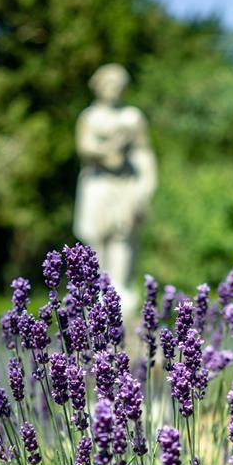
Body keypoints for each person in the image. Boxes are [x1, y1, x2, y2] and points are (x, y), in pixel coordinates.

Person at [73, 64, 157, 318]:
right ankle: (97, 290)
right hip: (97, 182)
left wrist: (147, 185)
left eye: (118, 85)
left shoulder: (132, 116)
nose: (113, 90)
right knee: (95, 236)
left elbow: (144, 152)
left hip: (124, 184)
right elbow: (85, 148)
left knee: (122, 236)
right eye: (108, 84)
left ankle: (120, 290)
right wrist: (111, 147)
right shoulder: (89, 116)